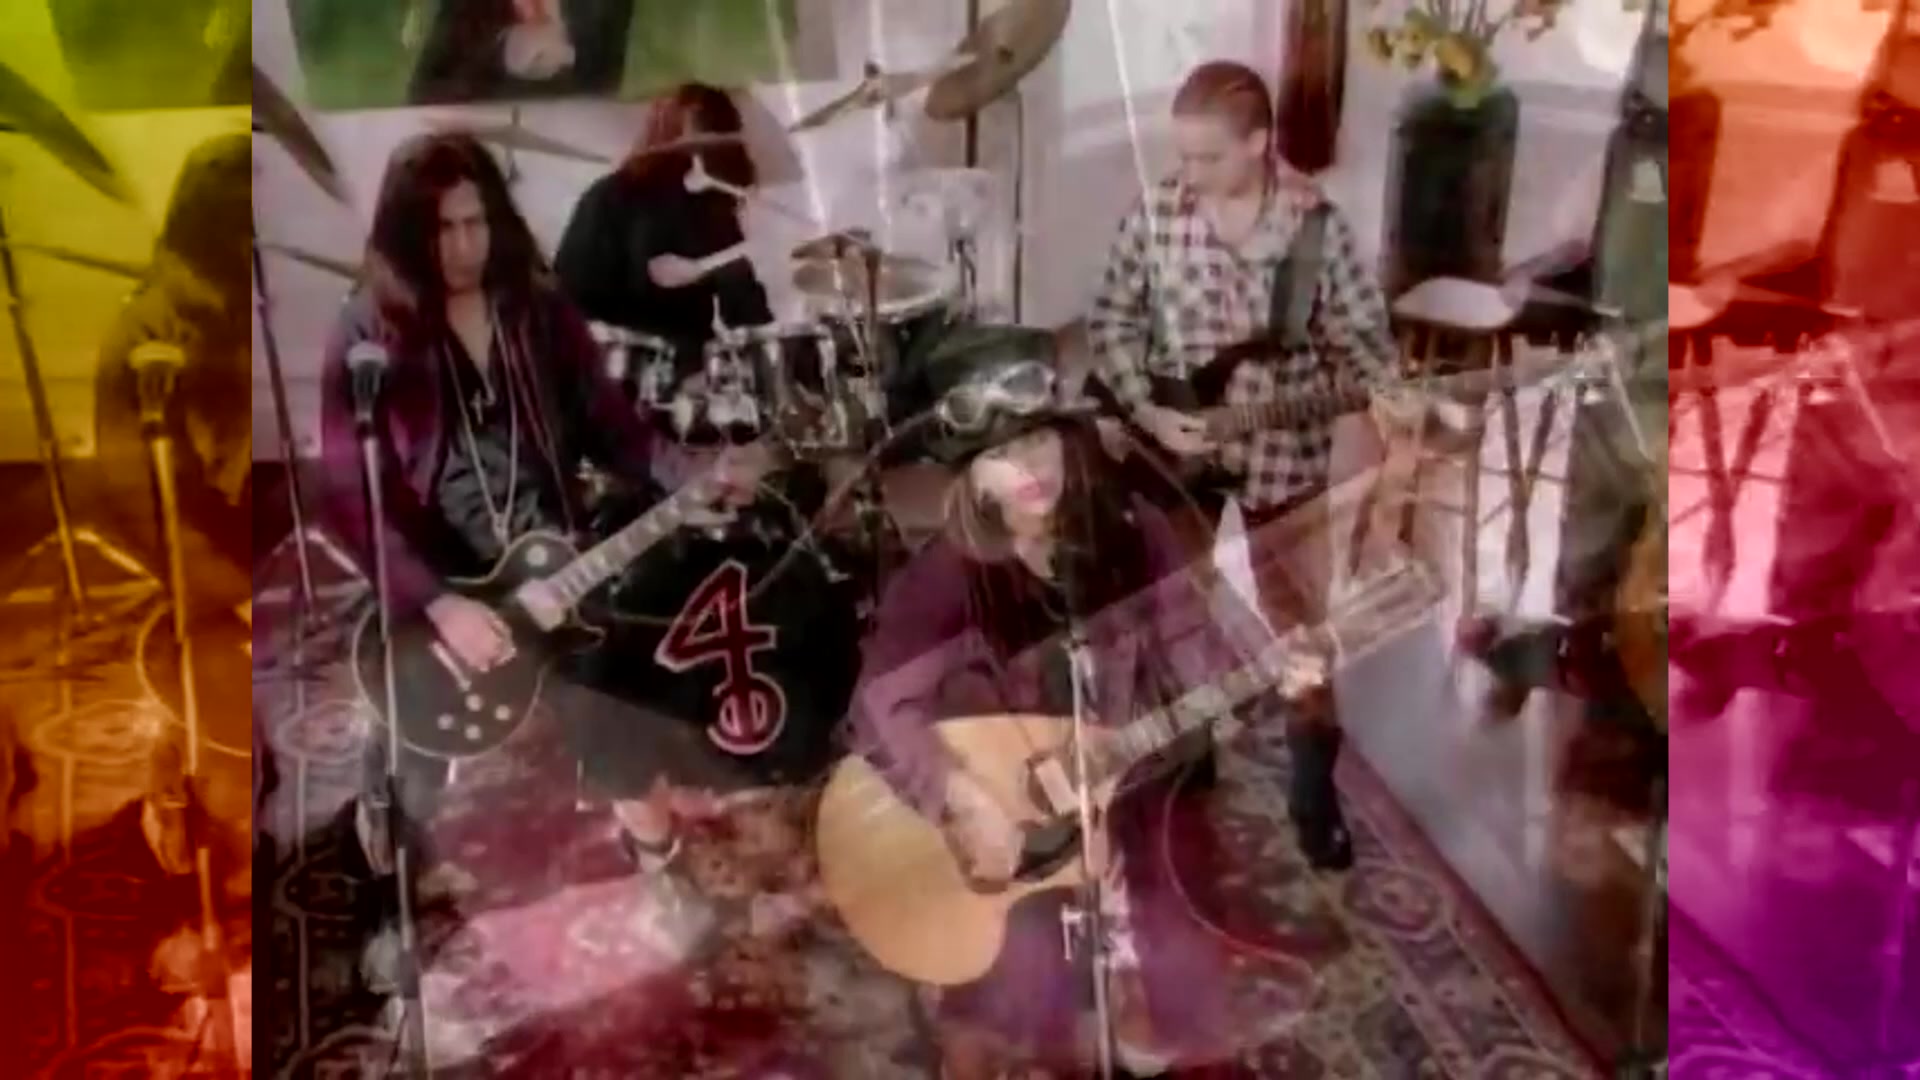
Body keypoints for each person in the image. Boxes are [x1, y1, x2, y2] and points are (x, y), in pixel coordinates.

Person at [850, 325, 1323, 1078]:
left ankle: (1128, 1017)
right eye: (1001, 455)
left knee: (1181, 985)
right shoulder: (946, 575)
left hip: (1125, 800)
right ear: (970, 477)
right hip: (1010, 823)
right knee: (1011, 998)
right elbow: (880, 706)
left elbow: (1197, 642)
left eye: (1040, 442)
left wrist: (1269, 670)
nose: (1029, 470)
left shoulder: (1137, 533)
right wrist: (961, 794)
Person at [314, 131, 731, 941]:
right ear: (406, 233)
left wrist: (689, 471)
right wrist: (438, 604)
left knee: (611, 714)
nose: (463, 246)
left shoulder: (539, 311)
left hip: (548, 556)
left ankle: (661, 865)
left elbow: (615, 428)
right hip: (432, 579)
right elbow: (347, 495)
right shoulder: (366, 334)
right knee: (413, 752)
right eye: (442, 228)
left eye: (476, 223)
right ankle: (389, 903)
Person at [1087, 60, 1410, 869]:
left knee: (1302, 629)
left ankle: (1312, 786)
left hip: (1281, 458)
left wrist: (1368, 391)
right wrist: (1149, 409)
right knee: (1174, 606)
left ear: (1259, 143)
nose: (1187, 174)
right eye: (1182, 154)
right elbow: (1112, 322)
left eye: (1207, 157)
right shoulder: (1157, 213)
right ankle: (1190, 747)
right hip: (1173, 452)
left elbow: (1373, 356)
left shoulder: (1316, 229)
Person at [93, 131, 253, 627]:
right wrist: (230, 592)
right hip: (211, 563)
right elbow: (141, 495)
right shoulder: (150, 333)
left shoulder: (244, 301)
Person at [555, 82, 774, 371]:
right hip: (621, 369)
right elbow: (568, 304)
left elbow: (745, 309)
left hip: (695, 371)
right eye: (690, 147)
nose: (698, 154)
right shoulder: (610, 198)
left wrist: (771, 355)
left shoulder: (712, 205)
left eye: (711, 145)